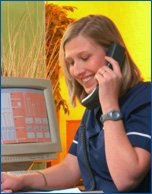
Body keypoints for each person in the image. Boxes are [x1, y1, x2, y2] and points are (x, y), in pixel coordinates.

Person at [1, 15, 151, 193]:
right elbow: (71, 169)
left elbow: (126, 179)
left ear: (114, 55)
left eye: (85, 57)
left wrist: (109, 104)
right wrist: (21, 180)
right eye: (71, 62)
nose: (77, 71)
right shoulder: (94, 109)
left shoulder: (144, 98)